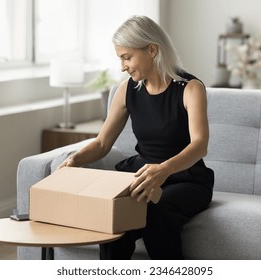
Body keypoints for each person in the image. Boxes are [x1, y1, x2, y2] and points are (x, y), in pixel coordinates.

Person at [58, 15, 214, 260]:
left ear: (152, 50)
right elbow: (102, 143)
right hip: (141, 174)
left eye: (126, 57)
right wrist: (74, 160)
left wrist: (163, 170)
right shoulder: (126, 89)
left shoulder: (190, 88)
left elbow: (199, 145)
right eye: (120, 58)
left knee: (154, 211)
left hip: (185, 178)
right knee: (112, 212)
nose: (122, 66)